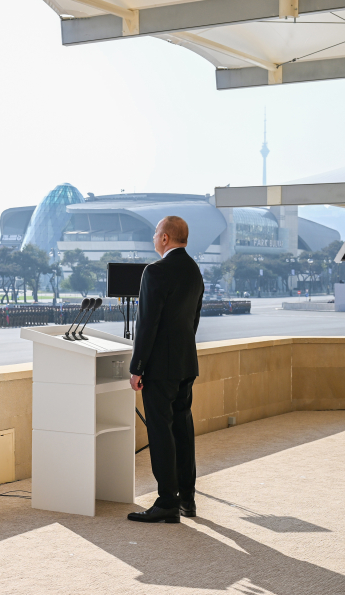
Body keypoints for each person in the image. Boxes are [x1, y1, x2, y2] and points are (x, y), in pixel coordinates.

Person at [127, 216, 204, 524]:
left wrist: (138, 367)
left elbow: (147, 323)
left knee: (160, 432)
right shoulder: (194, 270)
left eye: (156, 233)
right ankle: (187, 499)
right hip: (186, 362)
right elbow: (193, 320)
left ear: (165, 238)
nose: (154, 238)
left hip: (160, 367)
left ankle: (166, 501)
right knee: (183, 430)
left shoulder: (155, 271)